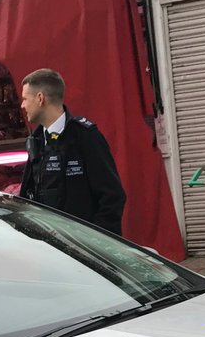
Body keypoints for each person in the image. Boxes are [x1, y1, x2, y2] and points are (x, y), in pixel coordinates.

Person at [18, 69, 126, 235]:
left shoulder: (85, 136)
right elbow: (27, 198)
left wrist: (96, 240)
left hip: (87, 248)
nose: (22, 105)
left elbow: (112, 196)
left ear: (40, 98)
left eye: (25, 98)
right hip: (51, 248)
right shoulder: (36, 142)